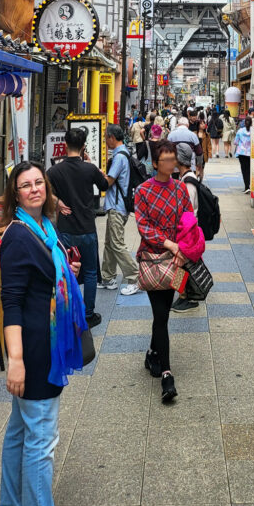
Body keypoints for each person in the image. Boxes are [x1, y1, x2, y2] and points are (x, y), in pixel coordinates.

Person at [0, 161, 84, 506]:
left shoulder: (45, 228)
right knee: (41, 442)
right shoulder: (18, 235)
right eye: (25, 185)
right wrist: (15, 361)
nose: (34, 189)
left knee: (20, 431)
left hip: (45, 337)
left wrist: (67, 271)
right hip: (35, 348)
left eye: (38, 183)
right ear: (14, 194)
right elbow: (11, 301)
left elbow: (45, 276)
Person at [135, 141, 194, 403]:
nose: (171, 164)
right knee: (160, 315)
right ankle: (167, 375)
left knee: (163, 314)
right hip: (153, 259)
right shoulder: (143, 190)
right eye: (166, 160)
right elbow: (143, 226)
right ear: (156, 163)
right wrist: (169, 243)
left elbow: (189, 220)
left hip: (179, 261)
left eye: (173, 160)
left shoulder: (181, 188)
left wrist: (184, 249)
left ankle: (152, 353)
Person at [46, 128, 106, 328]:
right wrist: (91, 164)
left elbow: (45, 191)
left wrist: (57, 201)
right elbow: (105, 184)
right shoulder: (89, 169)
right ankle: (88, 314)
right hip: (87, 228)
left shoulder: (55, 171)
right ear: (83, 146)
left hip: (65, 229)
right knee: (89, 272)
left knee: (66, 271)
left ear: (65, 145)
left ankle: (69, 312)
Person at [99, 124, 140, 296]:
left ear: (112, 138)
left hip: (117, 207)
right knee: (110, 242)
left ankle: (134, 276)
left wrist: (97, 173)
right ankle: (108, 277)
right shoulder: (123, 153)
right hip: (117, 206)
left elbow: (108, 182)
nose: (105, 141)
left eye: (106, 137)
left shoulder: (119, 157)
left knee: (116, 243)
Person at [171, 142, 200, 313]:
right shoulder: (185, 178)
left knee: (182, 264)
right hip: (186, 229)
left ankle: (187, 297)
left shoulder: (188, 182)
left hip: (188, 231)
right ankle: (182, 295)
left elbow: (188, 210)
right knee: (181, 264)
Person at [235, 116, 252, 193]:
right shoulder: (253, 131)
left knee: (244, 170)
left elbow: (235, 142)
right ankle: (250, 185)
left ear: (244, 123)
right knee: (249, 169)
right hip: (250, 153)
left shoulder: (240, 131)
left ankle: (246, 187)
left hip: (241, 153)